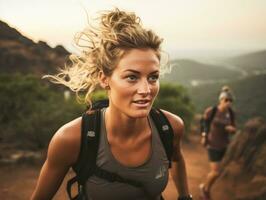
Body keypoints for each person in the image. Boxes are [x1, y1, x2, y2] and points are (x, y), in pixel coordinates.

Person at [31, 8, 192, 200]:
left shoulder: (170, 127)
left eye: (153, 77)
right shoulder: (71, 139)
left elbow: (176, 158)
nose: (146, 90)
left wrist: (184, 196)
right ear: (104, 78)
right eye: (132, 77)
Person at [200, 86, 237, 200]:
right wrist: (204, 135)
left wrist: (232, 129)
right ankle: (204, 189)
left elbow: (234, 128)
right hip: (213, 144)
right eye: (226, 100)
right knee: (216, 172)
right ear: (221, 100)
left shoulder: (231, 113)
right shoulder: (212, 111)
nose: (228, 103)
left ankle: (205, 186)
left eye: (230, 101)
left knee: (216, 172)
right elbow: (204, 123)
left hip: (224, 145)